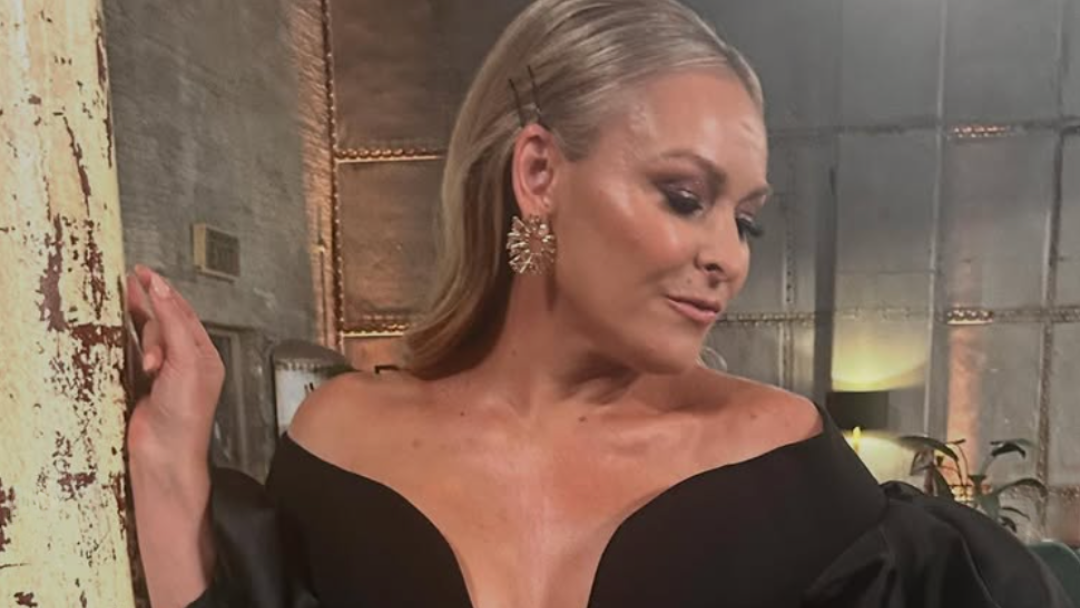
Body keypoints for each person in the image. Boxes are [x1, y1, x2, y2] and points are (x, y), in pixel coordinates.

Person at [125, 0, 1073, 606]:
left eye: (746, 219)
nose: (727, 257)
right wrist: (169, 462)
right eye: (685, 197)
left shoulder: (784, 460)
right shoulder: (342, 441)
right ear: (539, 172)